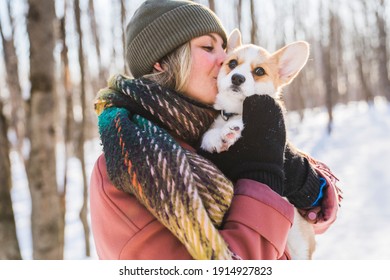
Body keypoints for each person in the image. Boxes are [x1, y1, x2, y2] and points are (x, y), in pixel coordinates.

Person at [90, 0, 342, 260]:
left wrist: (307, 183)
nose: (225, 60)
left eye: (224, 48)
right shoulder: (126, 162)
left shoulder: (231, 121)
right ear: (161, 62)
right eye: (209, 47)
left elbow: (319, 220)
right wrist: (262, 179)